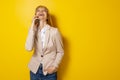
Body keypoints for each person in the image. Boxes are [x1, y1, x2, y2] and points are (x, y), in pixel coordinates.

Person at [25, 5, 64, 80]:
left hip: (49, 71)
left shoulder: (54, 32)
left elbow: (60, 51)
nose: (41, 11)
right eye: (38, 10)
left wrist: (54, 66)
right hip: (34, 70)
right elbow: (28, 48)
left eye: (44, 10)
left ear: (47, 16)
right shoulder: (33, 31)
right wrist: (32, 27)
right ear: (35, 15)